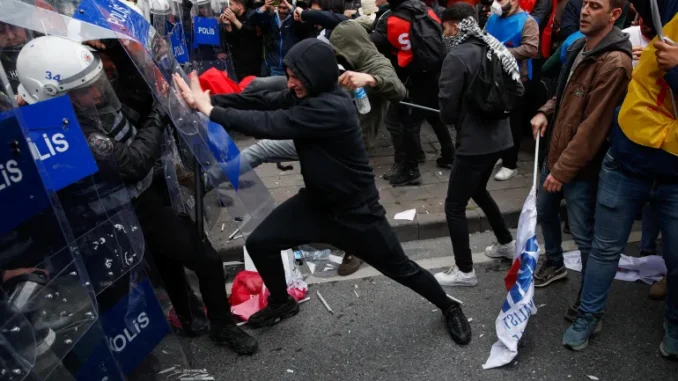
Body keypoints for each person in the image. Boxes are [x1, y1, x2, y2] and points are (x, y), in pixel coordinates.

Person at [173, 38, 473, 345]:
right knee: (260, 243)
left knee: (402, 269)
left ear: (315, 73)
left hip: (357, 213)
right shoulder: (306, 93)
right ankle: (281, 302)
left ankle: (450, 307)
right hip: (315, 205)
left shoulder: (332, 107)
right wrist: (211, 99)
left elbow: (269, 123)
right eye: (289, 74)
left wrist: (210, 110)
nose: (290, 83)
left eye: (295, 76)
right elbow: (264, 102)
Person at [15, 35, 258, 355]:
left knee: (189, 259)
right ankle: (192, 322)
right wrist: (160, 112)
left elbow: (129, 105)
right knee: (182, 266)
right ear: (55, 95)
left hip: (141, 198)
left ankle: (211, 322)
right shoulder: (54, 125)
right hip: (108, 217)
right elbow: (131, 163)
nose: (96, 91)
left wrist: (121, 46)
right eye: (84, 90)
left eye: (95, 82)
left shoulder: (79, 103)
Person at [561, 0, 678, 355]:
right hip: (627, 160)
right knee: (604, 247)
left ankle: (674, 324)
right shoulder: (671, 12)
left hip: (675, 176)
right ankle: (589, 314)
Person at [530, 0, 631, 325]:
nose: (584, 11)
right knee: (544, 210)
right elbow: (564, 94)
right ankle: (556, 262)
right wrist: (545, 111)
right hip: (556, 152)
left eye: (595, 6)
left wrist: (562, 170)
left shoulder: (615, 62)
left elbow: (593, 127)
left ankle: (588, 298)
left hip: (580, 166)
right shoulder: (579, 46)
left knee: (584, 234)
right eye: (584, 3)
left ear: (614, 15)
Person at [433, 4, 517, 287]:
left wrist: (455, 119)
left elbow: (446, 105)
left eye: (445, 27)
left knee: (454, 206)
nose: (444, 33)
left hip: (473, 143)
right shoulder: (492, 46)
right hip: (501, 138)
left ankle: (464, 271)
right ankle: (506, 242)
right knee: (478, 190)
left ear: (455, 26)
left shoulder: (457, 56)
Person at [371, 0, 455, 186]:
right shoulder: (426, 10)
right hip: (435, 73)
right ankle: (449, 155)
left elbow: (382, 45)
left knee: (406, 122)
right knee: (434, 115)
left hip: (413, 76)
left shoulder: (394, 19)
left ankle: (410, 168)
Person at [484, 0, 539, 182]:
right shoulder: (493, 18)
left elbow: (531, 48)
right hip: (492, 76)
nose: (496, 2)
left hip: (516, 79)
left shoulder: (527, 22)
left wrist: (502, 53)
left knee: (512, 122)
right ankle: (499, 153)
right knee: (495, 118)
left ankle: (510, 163)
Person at [250, 0, 311, 76]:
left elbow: (307, 20)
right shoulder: (272, 16)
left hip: (287, 66)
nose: (281, 10)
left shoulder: (295, 19)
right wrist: (265, 7)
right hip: (271, 64)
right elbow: (251, 19)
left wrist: (292, 8)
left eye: (284, 8)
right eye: (280, 7)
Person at [220, 0, 263, 79]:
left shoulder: (251, 15)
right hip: (237, 60)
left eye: (231, 5)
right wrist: (228, 26)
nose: (229, 7)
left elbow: (251, 34)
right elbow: (231, 41)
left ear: (239, 6)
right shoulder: (234, 17)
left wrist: (235, 21)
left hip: (252, 63)